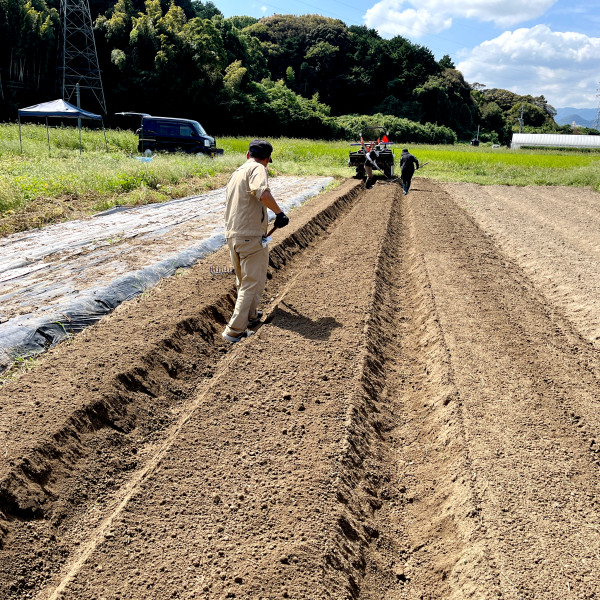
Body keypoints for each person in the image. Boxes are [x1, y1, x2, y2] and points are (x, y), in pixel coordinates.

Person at [221, 139, 289, 343]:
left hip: (233, 235)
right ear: (267, 159)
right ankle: (234, 331)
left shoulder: (237, 172)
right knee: (251, 283)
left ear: (247, 155)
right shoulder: (258, 169)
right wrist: (279, 213)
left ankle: (250, 315)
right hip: (251, 236)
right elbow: (262, 192)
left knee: (243, 281)